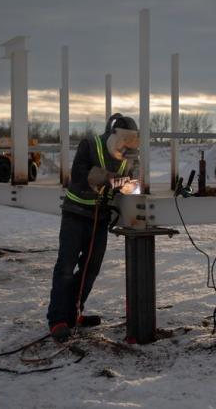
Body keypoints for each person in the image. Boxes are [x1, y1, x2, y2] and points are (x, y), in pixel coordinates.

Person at [47, 113, 140, 343]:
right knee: (66, 267)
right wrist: (114, 180)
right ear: (112, 134)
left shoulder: (128, 156)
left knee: (91, 268)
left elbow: (131, 182)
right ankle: (58, 320)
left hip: (100, 218)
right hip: (76, 215)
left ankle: (73, 314)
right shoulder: (90, 145)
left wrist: (132, 185)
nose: (126, 145)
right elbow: (82, 176)